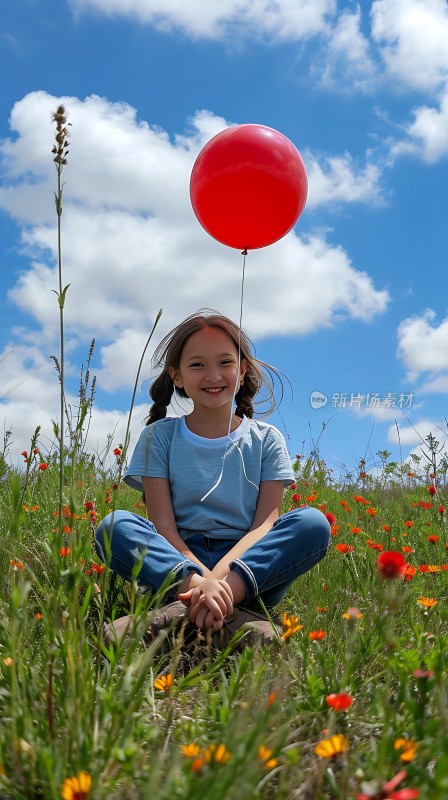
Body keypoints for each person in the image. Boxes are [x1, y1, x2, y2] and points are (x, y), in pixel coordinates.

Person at [95, 310, 330, 643]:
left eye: (224, 362)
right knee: (113, 526)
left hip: (247, 564)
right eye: (197, 365)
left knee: (313, 524)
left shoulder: (266, 439)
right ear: (176, 376)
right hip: (177, 561)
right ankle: (235, 620)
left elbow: (264, 525)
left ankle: (185, 612)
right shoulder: (159, 437)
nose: (213, 375)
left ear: (242, 369)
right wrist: (198, 581)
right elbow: (163, 526)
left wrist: (219, 582)